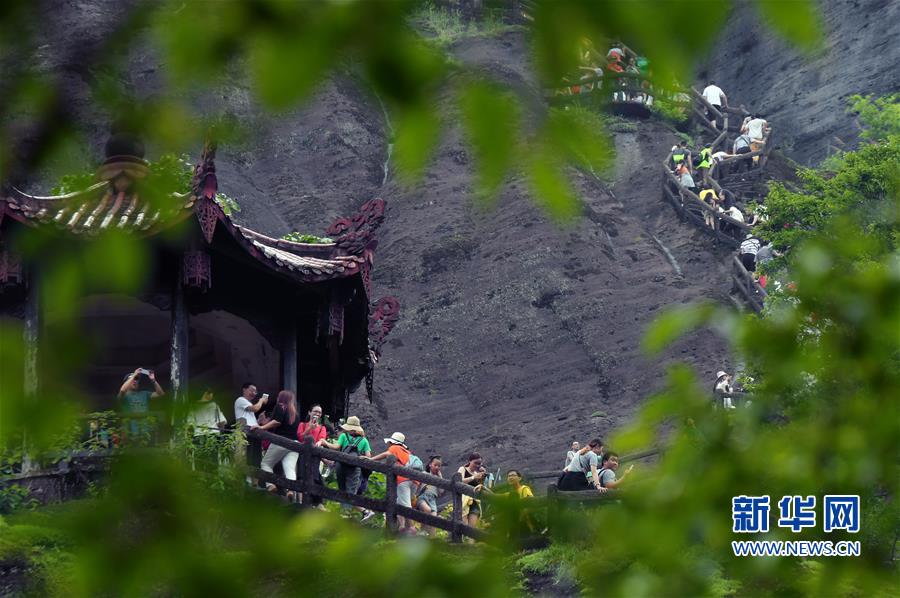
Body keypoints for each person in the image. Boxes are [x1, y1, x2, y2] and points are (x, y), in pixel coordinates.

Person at [320, 415, 373, 519]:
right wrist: (360, 457)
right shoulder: (364, 440)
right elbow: (368, 457)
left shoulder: (344, 436)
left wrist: (324, 442)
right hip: (354, 468)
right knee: (351, 491)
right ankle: (345, 514)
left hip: (341, 465)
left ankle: (344, 513)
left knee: (342, 489)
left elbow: (336, 447)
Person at [258, 390, 301, 500]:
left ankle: (270, 485)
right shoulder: (295, 413)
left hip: (281, 441)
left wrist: (261, 427)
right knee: (289, 468)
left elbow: (277, 421)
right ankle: (290, 490)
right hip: (294, 443)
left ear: (281, 398)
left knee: (265, 463)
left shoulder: (280, 406)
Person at [369, 432, 416, 533]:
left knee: (406, 504)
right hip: (414, 481)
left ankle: (412, 528)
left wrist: (370, 459)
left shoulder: (394, 448)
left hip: (403, 480)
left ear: (392, 442)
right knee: (399, 503)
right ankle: (402, 526)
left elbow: (387, 455)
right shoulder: (407, 452)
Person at [117, 368, 165, 442]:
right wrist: (134, 375)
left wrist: (153, 380)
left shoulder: (144, 394)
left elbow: (161, 394)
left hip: (145, 432)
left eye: (136, 379)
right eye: (132, 379)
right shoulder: (124, 396)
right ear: (126, 382)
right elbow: (122, 390)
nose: (135, 381)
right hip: (129, 433)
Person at [297, 404, 327, 507]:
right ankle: (302, 502)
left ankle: (318, 505)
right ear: (310, 412)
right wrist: (310, 428)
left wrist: (319, 443)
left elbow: (321, 439)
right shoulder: (302, 425)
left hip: (315, 457)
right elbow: (300, 437)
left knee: (315, 478)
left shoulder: (322, 428)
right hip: (302, 455)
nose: (317, 414)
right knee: (302, 476)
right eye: (315, 411)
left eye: (319, 412)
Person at [457, 453, 489, 532]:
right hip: (463, 500)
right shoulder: (463, 469)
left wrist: (482, 480)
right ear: (470, 461)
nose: (477, 465)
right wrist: (473, 477)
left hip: (474, 502)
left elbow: (479, 488)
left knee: (472, 528)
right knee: (463, 524)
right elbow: (459, 481)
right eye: (475, 463)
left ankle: (471, 544)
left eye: (479, 464)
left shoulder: (477, 474)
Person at [416, 455, 444, 536]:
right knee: (427, 510)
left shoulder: (438, 478)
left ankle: (432, 539)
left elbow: (441, 492)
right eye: (435, 465)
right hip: (422, 498)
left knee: (433, 519)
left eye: (439, 466)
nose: (437, 467)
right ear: (430, 465)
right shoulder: (424, 474)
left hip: (432, 500)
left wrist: (440, 478)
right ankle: (424, 532)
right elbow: (417, 485)